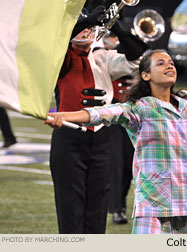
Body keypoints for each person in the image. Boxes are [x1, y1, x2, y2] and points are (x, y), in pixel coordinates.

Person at [45, 49, 187, 234]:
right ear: (145, 75)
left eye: (172, 63)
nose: (169, 66)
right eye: (161, 63)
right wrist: (64, 116)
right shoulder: (139, 108)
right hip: (154, 204)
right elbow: (103, 113)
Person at [49, 6, 148, 233]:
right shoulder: (60, 58)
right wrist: (84, 22)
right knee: (71, 208)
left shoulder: (102, 57)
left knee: (98, 206)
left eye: (90, 29)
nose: (87, 33)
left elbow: (139, 59)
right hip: (69, 136)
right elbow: (59, 41)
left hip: (102, 138)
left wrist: (121, 31)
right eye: (83, 28)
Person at [101, 33, 135, 224]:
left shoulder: (129, 57)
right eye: (111, 36)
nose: (115, 39)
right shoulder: (101, 58)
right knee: (117, 164)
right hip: (112, 116)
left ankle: (119, 202)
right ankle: (117, 208)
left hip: (131, 116)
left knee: (129, 164)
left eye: (116, 36)